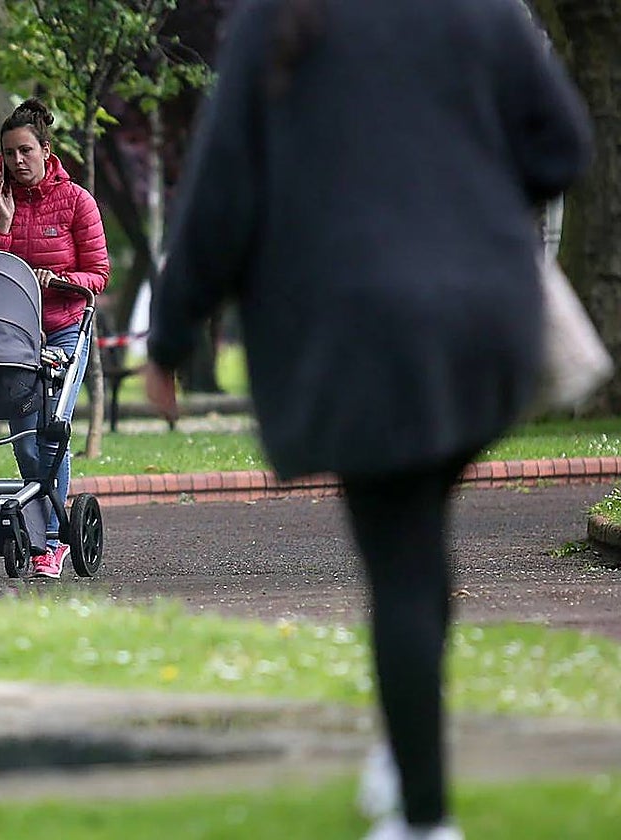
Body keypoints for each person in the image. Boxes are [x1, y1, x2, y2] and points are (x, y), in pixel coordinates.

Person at [144, 2, 592, 839]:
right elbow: (561, 145)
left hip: (353, 333)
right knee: (419, 547)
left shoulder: (281, 20)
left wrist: (169, 336)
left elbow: (222, 191)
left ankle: (423, 817)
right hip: (480, 323)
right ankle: (405, 746)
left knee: (402, 564)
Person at [0, 97, 111, 578]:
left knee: (51, 432)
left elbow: (99, 273)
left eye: (26, 151)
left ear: (46, 150)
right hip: (15, 335)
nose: (18, 161)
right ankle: (36, 528)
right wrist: (6, 225)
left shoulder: (76, 202)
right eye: (10, 153)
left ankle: (52, 540)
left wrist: (61, 279)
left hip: (64, 328)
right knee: (24, 440)